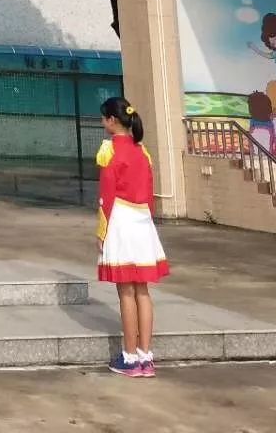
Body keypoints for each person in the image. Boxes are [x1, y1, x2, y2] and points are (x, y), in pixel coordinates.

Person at [97, 97, 169, 378]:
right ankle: (145, 356)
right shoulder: (143, 152)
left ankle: (129, 357)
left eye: (104, 118)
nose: (103, 123)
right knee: (142, 290)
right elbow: (150, 197)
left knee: (125, 290)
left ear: (112, 121)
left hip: (121, 221)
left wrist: (102, 232)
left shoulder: (110, 151)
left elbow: (107, 196)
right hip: (143, 222)